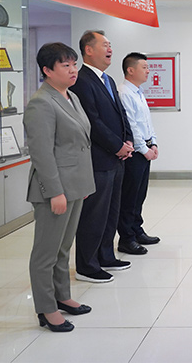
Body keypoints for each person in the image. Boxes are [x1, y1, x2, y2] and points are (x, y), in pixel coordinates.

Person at [25, 43, 95, 332]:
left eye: (74, 64)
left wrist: (83, 183)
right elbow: (41, 153)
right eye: (65, 65)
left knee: (64, 247)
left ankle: (62, 296)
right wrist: (55, 192)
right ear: (47, 70)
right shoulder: (41, 102)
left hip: (75, 184)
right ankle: (46, 308)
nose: (73, 70)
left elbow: (79, 143)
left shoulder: (71, 96)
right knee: (46, 252)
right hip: (54, 188)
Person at [70, 30, 134, 283]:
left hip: (116, 158)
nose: (110, 49)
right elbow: (92, 122)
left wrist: (128, 141)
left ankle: (106, 256)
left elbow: (120, 114)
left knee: (110, 212)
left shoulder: (107, 79)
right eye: (105, 45)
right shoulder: (82, 81)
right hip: (98, 159)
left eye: (110, 45)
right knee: (93, 215)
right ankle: (87, 265)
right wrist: (117, 145)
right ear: (88, 50)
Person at [117, 53, 161, 255]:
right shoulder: (124, 93)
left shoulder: (138, 92)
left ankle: (136, 230)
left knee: (140, 195)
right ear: (130, 70)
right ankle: (126, 238)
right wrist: (144, 149)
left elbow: (146, 123)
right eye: (144, 67)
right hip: (134, 153)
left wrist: (154, 143)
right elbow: (131, 126)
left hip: (145, 149)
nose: (148, 71)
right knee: (130, 196)